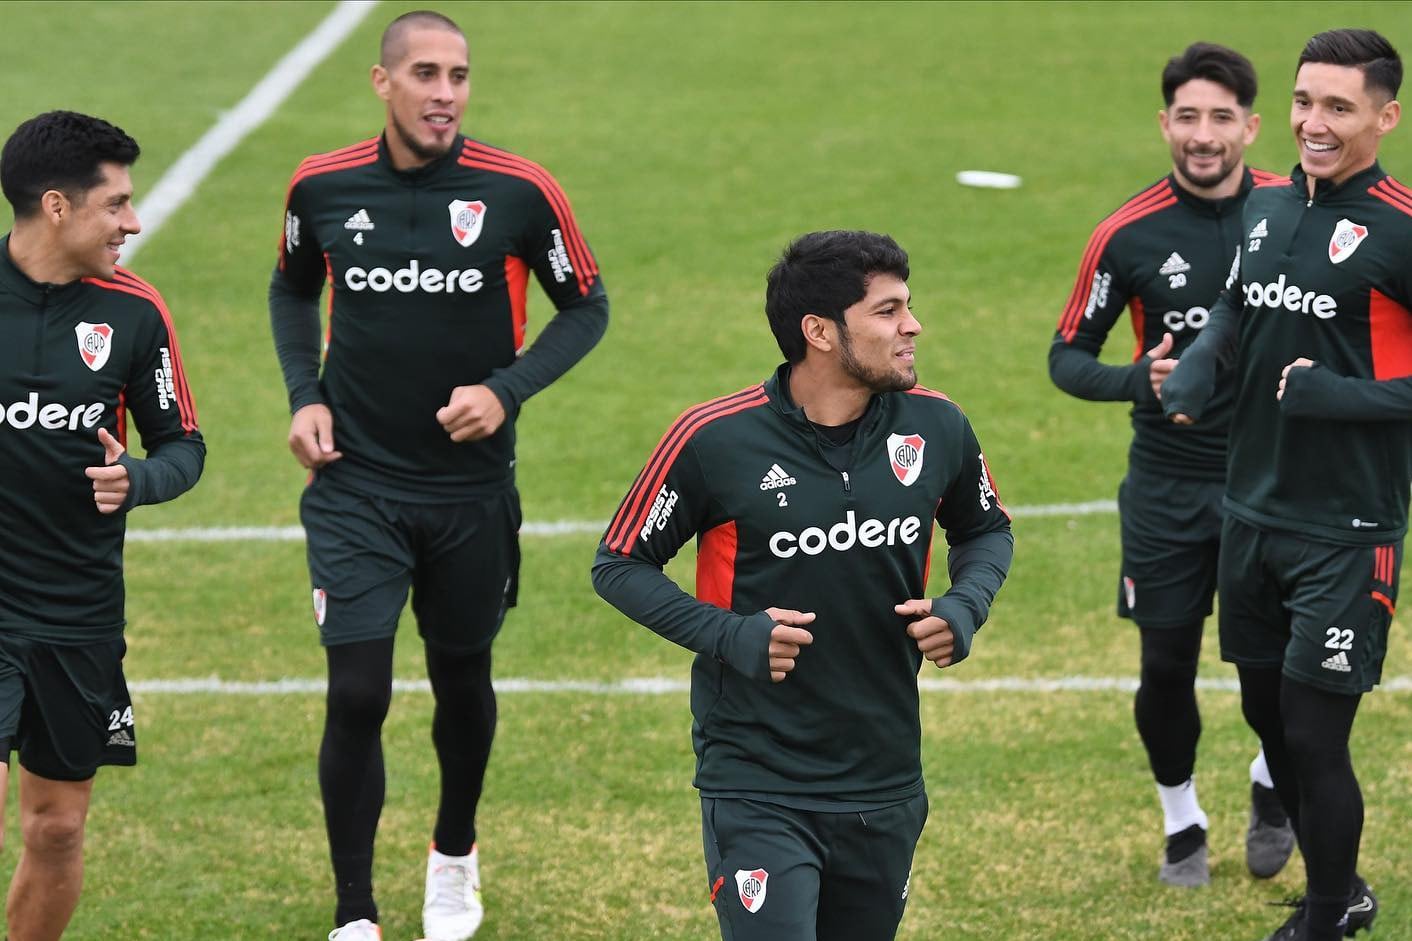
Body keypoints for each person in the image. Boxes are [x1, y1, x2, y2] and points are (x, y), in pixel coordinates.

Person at [267, 11, 608, 941]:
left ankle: (452, 856)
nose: (445, 93)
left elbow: (586, 306)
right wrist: (307, 394)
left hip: (470, 493)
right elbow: (293, 286)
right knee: (358, 692)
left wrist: (506, 391)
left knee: (462, 679)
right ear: (383, 83)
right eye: (425, 73)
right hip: (356, 484)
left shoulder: (520, 190)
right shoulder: (322, 187)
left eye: (458, 75)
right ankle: (354, 913)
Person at [592, 230, 1012, 941]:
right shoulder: (715, 439)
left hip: (884, 776)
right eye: (886, 312)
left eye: (908, 306)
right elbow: (620, 564)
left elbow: (986, 529)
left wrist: (965, 605)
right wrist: (731, 634)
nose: (912, 326)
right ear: (818, 331)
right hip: (758, 777)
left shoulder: (937, 425)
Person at [1157, 27, 1409, 941]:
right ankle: (1340, 889)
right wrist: (1201, 360)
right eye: (1305, 101)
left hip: (1346, 526)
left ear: (1385, 115)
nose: (1313, 121)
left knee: (1312, 734)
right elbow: (1238, 300)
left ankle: (1327, 912)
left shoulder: (1402, 230)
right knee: (1269, 717)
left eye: (1338, 107)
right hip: (1251, 512)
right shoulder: (1265, 207)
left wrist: (1335, 394)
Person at [1049, 42, 1295, 887]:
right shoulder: (1126, 234)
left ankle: (1273, 781)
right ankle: (1181, 818)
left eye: (1220, 117)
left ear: (1250, 126)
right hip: (1167, 485)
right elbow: (1066, 357)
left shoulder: (1294, 211)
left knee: (1274, 669)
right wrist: (1139, 380)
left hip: (1275, 478)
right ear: (1165, 124)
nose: (1202, 135)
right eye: (1186, 117)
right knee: (1166, 667)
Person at [0, 111, 205, 941]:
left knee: (57, 827)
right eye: (116, 203)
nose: (133, 220)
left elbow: (183, 446)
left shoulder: (135, 313)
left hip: (78, 605)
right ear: (56, 206)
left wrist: (140, 479)